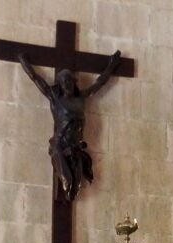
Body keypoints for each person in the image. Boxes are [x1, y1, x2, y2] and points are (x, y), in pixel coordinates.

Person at [18, 50, 122, 201]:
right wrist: (23, 61)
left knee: (75, 187)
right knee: (69, 182)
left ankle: (70, 190)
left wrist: (112, 65)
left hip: (76, 148)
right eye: (65, 81)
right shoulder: (55, 98)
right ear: (60, 84)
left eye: (70, 81)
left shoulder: (81, 98)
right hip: (60, 146)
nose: (68, 84)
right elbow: (36, 79)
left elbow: (99, 83)